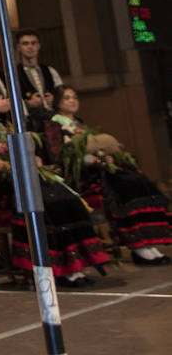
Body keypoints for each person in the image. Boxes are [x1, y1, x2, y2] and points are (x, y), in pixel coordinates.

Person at [0, 88, 110, 287]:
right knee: (44, 202)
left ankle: (75, 263)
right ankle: (57, 269)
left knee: (64, 196)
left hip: (17, 179)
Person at [50, 85, 171, 266]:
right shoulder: (56, 124)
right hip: (83, 175)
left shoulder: (80, 123)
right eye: (67, 98)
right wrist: (95, 160)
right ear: (58, 103)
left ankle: (147, 242)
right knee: (122, 186)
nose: (72, 101)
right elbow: (66, 156)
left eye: (75, 97)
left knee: (137, 178)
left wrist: (106, 157)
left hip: (99, 168)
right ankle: (137, 245)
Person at [14, 28, 62, 124]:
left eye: (33, 43)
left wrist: (54, 100)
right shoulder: (14, 73)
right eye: (25, 44)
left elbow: (62, 95)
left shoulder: (50, 71)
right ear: (19, 47)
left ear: (38, 46)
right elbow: (10, 100)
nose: (30, 47)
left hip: (53, 120)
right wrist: (28, 104)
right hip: (29, 122)